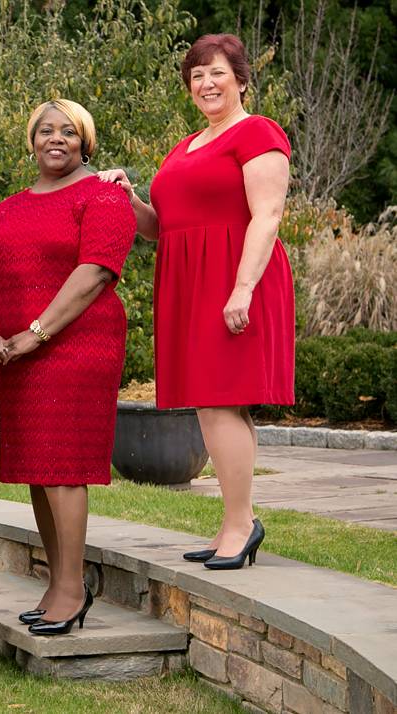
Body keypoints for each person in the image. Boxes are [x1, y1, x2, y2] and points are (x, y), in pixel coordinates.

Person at [99, 34, 293, 570]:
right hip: (188, 281)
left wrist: (243, 288)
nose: (206, 84)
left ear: (241, 78)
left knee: (220, 400)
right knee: (214, 402)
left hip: (234, 277)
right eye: (196, 76)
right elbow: (162, 229)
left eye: (217, 73)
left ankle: (240, 525)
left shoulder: (258, 133)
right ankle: (237, 521)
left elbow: (268, 215)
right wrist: (128, 197)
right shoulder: (185, 147)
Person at [0, 100, 136, 636]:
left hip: (76, 349)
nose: (56, 139)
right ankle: (59, 580)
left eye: (69, 131)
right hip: (15, 355)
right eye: (46, 131)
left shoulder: (103, 196)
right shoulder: (8, 207)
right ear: (32, 141)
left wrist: (33, 335)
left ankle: (71, 586)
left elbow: (95, 274)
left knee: (63, 467)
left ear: (85, 141)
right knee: (39, 471)